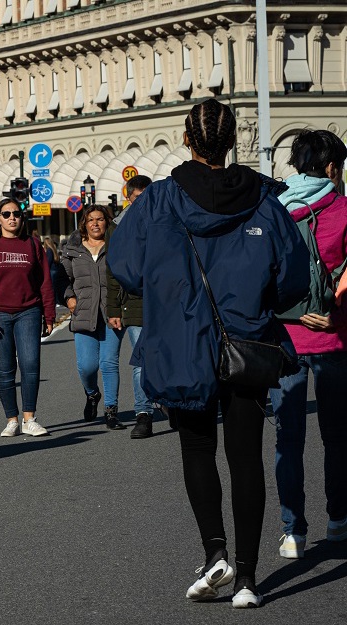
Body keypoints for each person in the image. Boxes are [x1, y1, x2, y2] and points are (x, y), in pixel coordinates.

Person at [108, 98, 307, 609]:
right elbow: (292, 278)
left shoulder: (157, 201)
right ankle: (247, 578)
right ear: (231, 140)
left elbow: (125, 264)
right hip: (247, 340)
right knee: (246, 458)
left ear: (187, 138)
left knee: (196, 449)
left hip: (180, 339)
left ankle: (214, 552)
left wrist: (167, 287)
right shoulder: (264, 200)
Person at [269, 130, 347, 559]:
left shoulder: (275, 211)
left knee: (288, 439)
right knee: (336, 436)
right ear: (332, 167)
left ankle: (292, 531)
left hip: (285, 337)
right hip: (334, 335)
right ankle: (338, 518)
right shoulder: (344, 208)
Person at [0, 198, 55, 437]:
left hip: (28, 311)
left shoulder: (33, 245)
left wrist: (49, 315)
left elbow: (45, 283)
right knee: (5, 369)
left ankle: (29, 418)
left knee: (30, 364)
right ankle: (12, 419)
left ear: (22, 217)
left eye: (16, 213)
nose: (11, 218)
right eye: (6, 214)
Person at [61, 204, 125, 429]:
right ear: (84, 224)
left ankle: (111, 411)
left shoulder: (116, 247)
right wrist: (69, 297)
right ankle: (92, 394)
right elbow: (62, 278)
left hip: (112, 314)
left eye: (100, 219)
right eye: (91, 220)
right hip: (83, 313)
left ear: (106, 223)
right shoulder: (73, 250)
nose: (95, 224)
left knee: (109, 363)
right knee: (86, 367)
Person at [106, 178, 155, 439]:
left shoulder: (165, 218)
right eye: (138, 198)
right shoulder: (118, 226)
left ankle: (170, 403)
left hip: (165, 299)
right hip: (134, 301)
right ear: (129, 198)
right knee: (140, 359)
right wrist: (113, 308)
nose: (143, 203)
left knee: (166, 353)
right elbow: (112, 270)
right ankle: (143, 414)